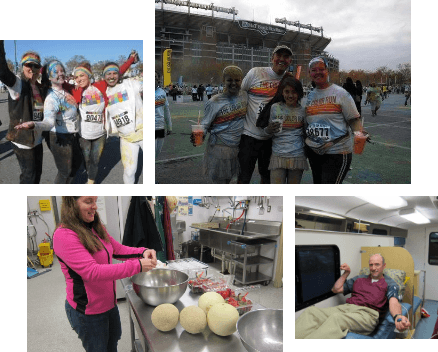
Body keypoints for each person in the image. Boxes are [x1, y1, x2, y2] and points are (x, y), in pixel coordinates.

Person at [53, 196, 157, 351]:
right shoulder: (64, 236)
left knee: (112, 345)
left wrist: (143, 251)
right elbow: (92, 272)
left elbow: (117, 249)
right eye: (88, 202)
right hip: (88, 312)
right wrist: (137, 266)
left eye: (95, 201)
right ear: (71, 204)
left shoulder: (94, 226)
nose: (94, 206)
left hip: (109, 305)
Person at [295, 254, 411, 339]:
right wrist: (346, 274)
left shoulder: (390, 283)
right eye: (371, 265)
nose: (374, 268)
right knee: (311, 312)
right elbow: (336, 289)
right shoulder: (359, 278)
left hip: (367, 315)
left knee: (337, 318)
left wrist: (397, 316)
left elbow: (394, 302)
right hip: (347, 308)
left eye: (377, 264)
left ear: (384, 266)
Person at [71, 53, 137, 184]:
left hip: (100, 134)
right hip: (83, 134)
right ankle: (89, 171)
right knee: (86, 159)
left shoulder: (100, 86)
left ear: (89, 76)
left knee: (95, 160)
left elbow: (118, 71)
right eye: (76, 77)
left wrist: (131, 60)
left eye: (81, 75)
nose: (78, 79)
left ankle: (91, 181)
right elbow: (57, 85)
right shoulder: (76, 91)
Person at [15, 60, 82, 184]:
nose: (60, 73)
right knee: (65, 171)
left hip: (72, 135)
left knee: (77, 163)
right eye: (56, 72)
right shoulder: (51, 98)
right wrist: (34, 125)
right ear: (49, 76)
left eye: (62, 70)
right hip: (60, 137)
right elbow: (48, 122)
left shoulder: (66, 90)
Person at [304, 57, 366, 184]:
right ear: (309, 73)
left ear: (327, 71)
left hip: (337, 152)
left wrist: (359, 135)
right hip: (315, 152)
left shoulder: (341, 93)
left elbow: (354, 120)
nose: (318, 72)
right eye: (314, 70)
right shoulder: (309, 96)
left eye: (321, 69)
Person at [238, 45, 293, 184]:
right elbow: (240, 94)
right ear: (272, 58)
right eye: (278, 55)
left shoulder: (289, 80)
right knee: (243, 177)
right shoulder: (256, 72)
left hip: (272, 139)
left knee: (267, 179)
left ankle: (264, 204)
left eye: (286, 57)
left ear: (290, 61)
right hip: (249, 135)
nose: (282, 59)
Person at [190, 66, 247, 184]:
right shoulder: (214, 101)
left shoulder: (244, 96)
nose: (233, 83)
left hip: (236, 149)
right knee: (219, 186)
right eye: (229, 80)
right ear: (223, 80)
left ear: (242, 80)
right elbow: (205, 124)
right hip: (219, 149)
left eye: (237, 80)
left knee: (228, 182)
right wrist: (200, 135)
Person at [0, 40, 46, 183]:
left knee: (36, 176)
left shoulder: (39, 87)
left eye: (36, 65)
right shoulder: (18, 84)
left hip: (37, 139)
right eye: (28, 65)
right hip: (23, 141)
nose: (32, 68)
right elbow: (2, 71)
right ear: (22, 66)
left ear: (40, 69)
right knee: (29, 178)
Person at [257, 74, 308, 184]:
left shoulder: (303, 110)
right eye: (287, 92)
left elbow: (306, 133)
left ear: (299, 93)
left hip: (297, 156)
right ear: (282, 92)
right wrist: (268, 129)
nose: (290, 95)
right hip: (278, 155)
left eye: (294, 92)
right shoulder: (275, 108)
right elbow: (268, 133)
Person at [104, 62, 143, 184]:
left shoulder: (132, 83)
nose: (111, 76)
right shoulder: (104, 93)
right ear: (104, 76)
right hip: (126, 138)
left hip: (143, 132)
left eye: (115, 73)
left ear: (119, 75)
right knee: (129, 171)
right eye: (108, 74)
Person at [155, 71, 172, 158]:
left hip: (160, 127)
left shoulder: (162, 92)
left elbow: (166, 110)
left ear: (157, 80)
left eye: (155, 77)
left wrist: (169, 126)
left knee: (157, 152)